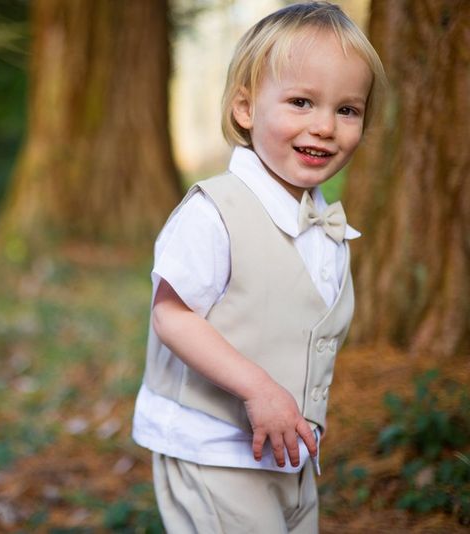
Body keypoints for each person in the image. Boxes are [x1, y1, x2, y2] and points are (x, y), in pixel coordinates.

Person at [131, 2, 386, 532]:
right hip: (213, 452)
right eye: (301, 102)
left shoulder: (322, 225)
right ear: (246, 109)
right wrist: (257, 388)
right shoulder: (215, 212)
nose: (324, 126)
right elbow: (171, 316)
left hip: (289, 456)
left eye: (347, 110)